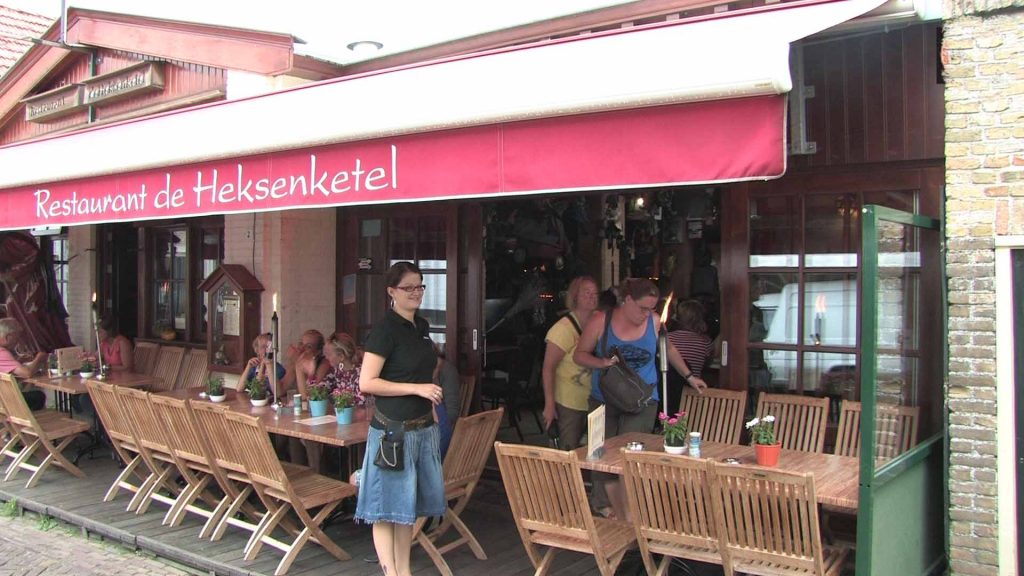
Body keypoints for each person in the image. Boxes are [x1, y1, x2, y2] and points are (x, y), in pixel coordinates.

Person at [573, 278, 707, 520]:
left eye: (651, 309)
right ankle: (604, 506)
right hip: (604, 397)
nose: (647, 314)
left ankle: (630, 511)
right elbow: (579, 355)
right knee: (599, 453)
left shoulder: (653, 321)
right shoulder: (601, 320)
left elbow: (668, 349)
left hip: (642, 398)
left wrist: (689, 376)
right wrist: (602, 362)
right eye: (642, 308)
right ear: (626, 300)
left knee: (630, 454)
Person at [355, 261, 445, 576]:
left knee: (407, 507)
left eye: (420, 286)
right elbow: (367, 383)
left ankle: (403, 571)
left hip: (422, 429)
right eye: (408, 287)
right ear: (391, 291)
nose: (416, 292)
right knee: (384, 509)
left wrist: (430, 407)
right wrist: (416, 389)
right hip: (392, 432)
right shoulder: (383, 332)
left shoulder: (421, 327)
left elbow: (423, 374)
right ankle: (390, 572)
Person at [541, 275, 599, 449]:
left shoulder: (600, 321)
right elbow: (548, 368)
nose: (592, 296)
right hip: (569, 402)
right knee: (568, 450)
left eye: (595, 293)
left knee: (594, 450)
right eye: (586, 292)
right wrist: (549, 405)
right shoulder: (562, 329)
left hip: (595, 399)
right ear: (575, 297)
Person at [666, 299, 717, 413]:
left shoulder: (667, 338)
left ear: (678, 317)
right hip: (692, 395)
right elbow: (707, 364)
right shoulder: (705, 342)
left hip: (668, 394)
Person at [0, 318, 47, 410]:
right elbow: (27, 373)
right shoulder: (2, 353)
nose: (18, 341)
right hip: (5, 402)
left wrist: (18, 361)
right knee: (39, 396)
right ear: (8, 337)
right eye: (16, 337)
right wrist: (39, 358)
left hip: (3, 399)